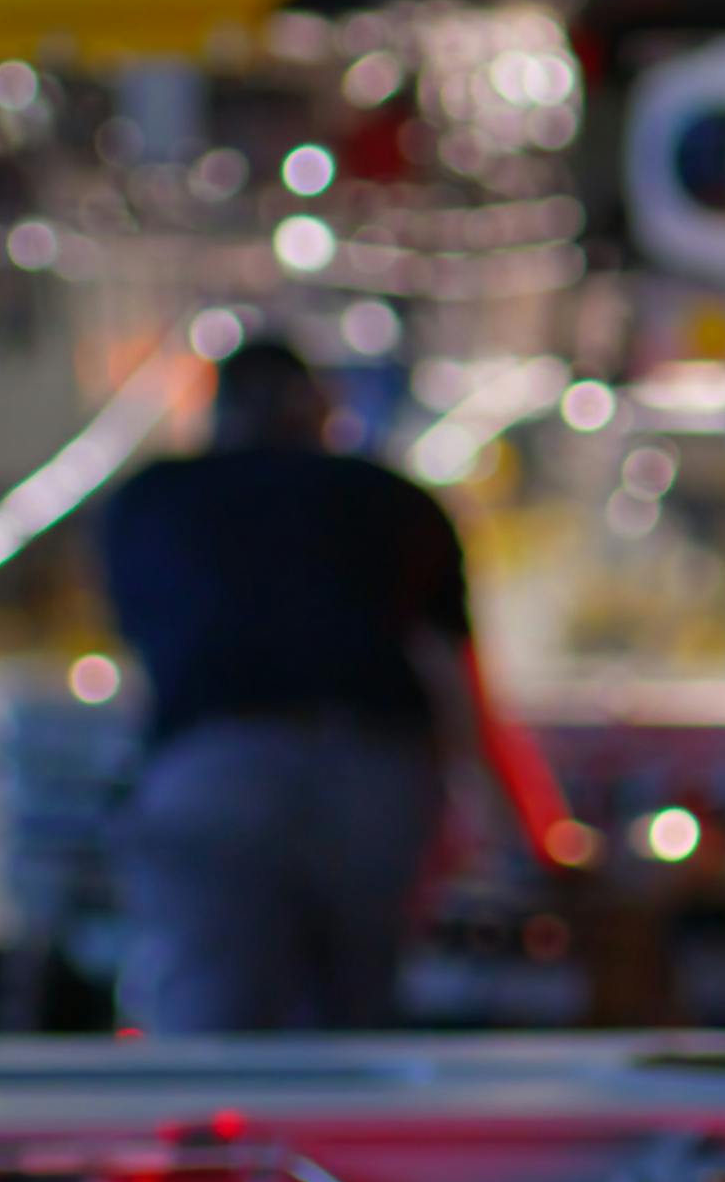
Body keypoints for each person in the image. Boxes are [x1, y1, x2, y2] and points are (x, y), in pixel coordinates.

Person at [88, 327, 558, 1031]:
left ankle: (216, 1136)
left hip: (215, 775)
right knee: (354, 1020)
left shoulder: (149, 502)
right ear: (316, 408)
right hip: (374, 781)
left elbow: (146, 663)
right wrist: (509, 827)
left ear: (217, 410)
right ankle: (332, 1138)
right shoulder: (390, 499)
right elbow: (455, 679)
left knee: (211, 1021)